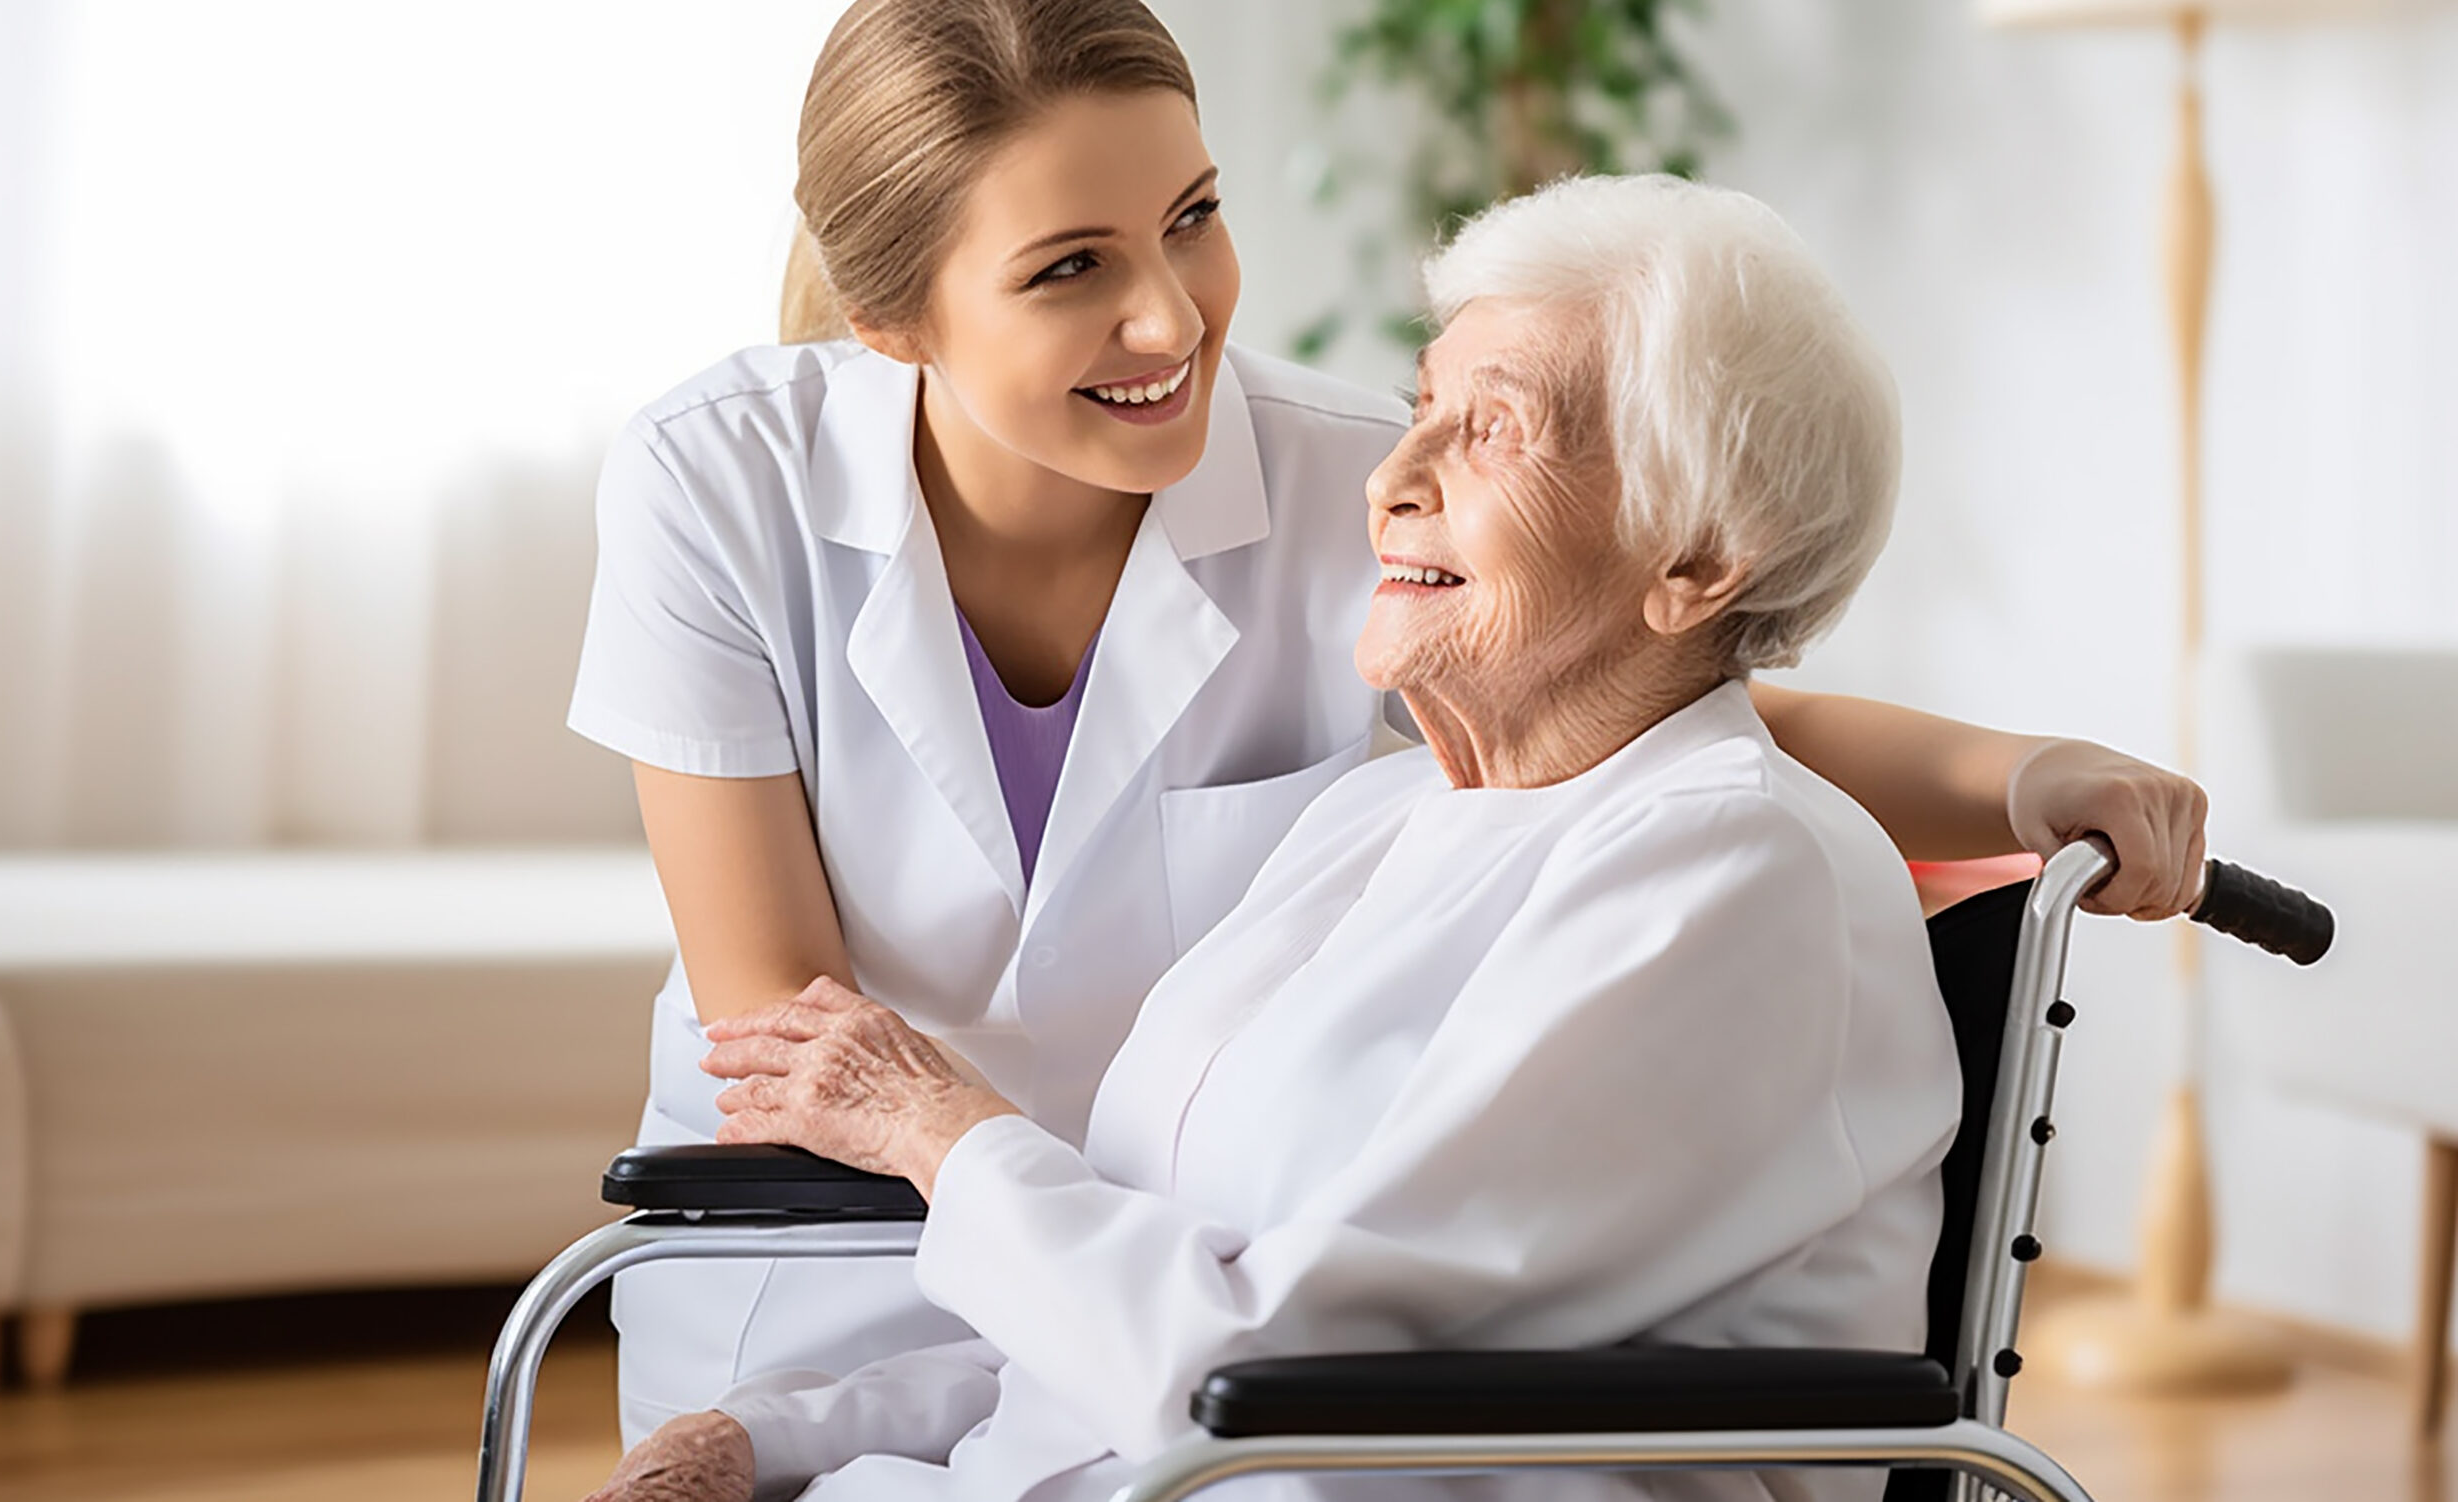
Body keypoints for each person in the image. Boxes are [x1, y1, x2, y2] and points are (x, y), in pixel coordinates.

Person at [565, 0, 2207, 1448]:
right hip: (866, 1267)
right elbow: (798, 1046)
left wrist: (2021, 773)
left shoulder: (1366, 486)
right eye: (1071, 264)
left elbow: (1663, 706)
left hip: (1164, 1290)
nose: (1173, 316)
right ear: (889, 323)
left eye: (1195, 218)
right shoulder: (722, 484)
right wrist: (844, 1381)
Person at [580, 172, 1966, 1502]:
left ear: (1697, 562)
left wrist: (944, 1129)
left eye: (1490, 430)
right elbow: (1114, 1313)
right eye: (1422, 406)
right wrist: (766, 1435)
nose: (1390, 478)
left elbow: (1252, 1365)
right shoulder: (1380, 816)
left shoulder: (1736, 876)